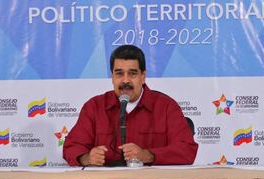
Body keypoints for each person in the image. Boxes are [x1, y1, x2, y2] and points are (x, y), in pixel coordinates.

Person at [63, 45, 198, 166]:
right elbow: (71, 147)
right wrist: (87, 158)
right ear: (112, 77)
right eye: (119, 74)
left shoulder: (166, 107)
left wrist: (148, 155)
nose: (125, 80)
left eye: (132, 73)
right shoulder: (95, 107)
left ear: (143, 76)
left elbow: (187, 150)